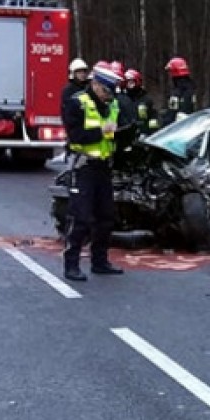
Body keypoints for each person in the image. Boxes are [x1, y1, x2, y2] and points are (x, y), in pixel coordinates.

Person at [60, 63, 126, 281]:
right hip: (84, 166)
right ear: (96, 85)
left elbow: (117, 132)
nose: (109, 97)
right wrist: (101, 132)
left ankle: (100, 261)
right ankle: (71, 265)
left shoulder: (112, 105)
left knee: (106, 217)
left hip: (103, 167)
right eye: (106, 91)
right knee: (81, 218)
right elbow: (76, 136)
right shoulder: (76, 103)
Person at [163, 56, 197, 123]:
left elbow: (171, 116)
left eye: (171, 72)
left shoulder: (177, 93)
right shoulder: (191, 88)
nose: (170, 75)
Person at [125, 69, 160, 135]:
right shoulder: (124, 99)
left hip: (144, 134)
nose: (128, 85)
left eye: (131, 82)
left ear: (137, 82)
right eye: (127, 83)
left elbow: (153, 117)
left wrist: (151, 133)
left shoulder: (146, 99)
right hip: (127, 133)